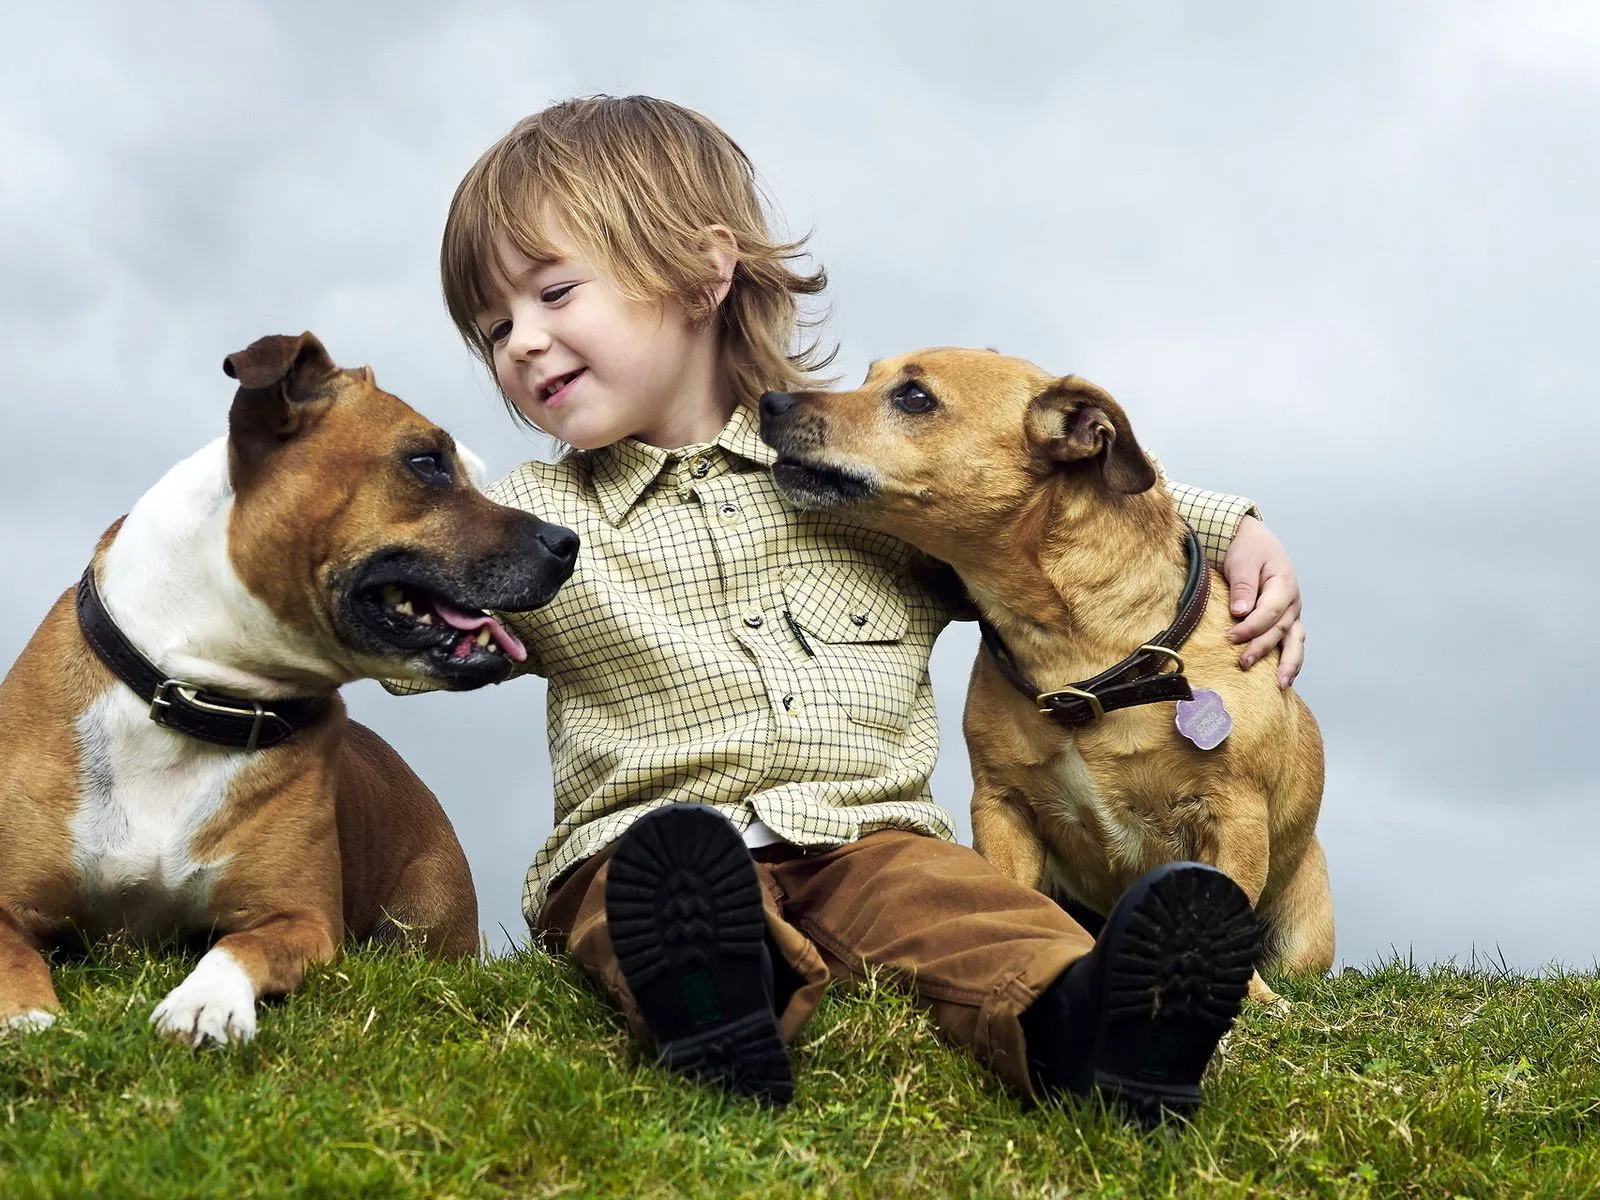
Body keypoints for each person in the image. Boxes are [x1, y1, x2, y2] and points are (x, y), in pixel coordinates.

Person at [397, 94, 1306, 1120]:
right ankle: (717, 1008)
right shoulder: (524, 516)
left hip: (865, 840)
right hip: (650, 842)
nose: (520, 342)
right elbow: (399, 584)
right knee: (641, 898)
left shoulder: (864, 481)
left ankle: (1097, 1027)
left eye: (554, 293)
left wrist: (1229, 527)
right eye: (493, 328)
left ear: (703, 273)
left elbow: (1034, 498)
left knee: (975, 914)